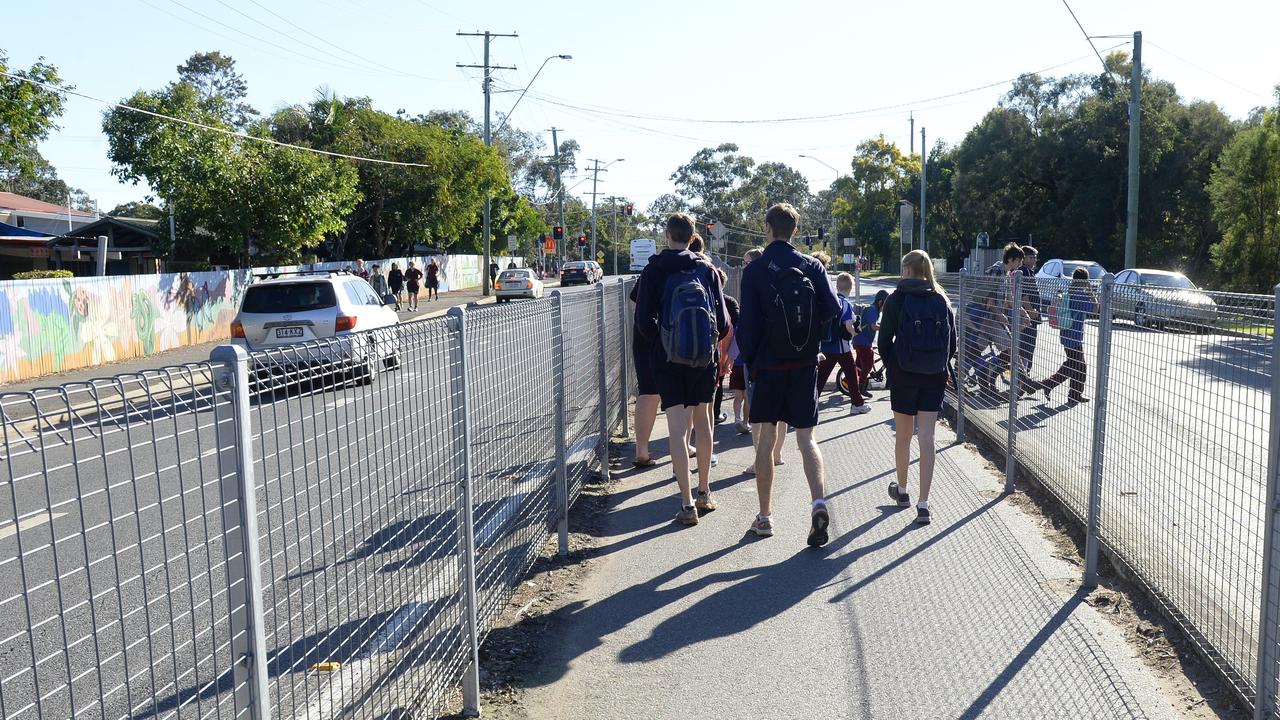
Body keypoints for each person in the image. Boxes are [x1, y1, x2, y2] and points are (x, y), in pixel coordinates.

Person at [737, 203, 840, 546]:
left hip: (768, 366)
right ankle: (819, 503)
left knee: (766, 440)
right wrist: (812, 340)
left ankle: (765, 517)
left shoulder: (756, 269)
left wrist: (751, 361)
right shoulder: (811, 266)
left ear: (767, 228)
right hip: (804, 366)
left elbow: (747, 324)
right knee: (806, 439)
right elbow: (833, 309)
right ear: (795, 230)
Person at [634, 212, 729, 526]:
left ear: (666, 235)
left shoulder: (654, 269)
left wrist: (665, 341)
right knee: (703, 422)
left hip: (668, 358)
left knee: (677, 429)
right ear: (692, 237)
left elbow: (643, 322)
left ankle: (686, 504)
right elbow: (725, 322)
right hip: (704, 357)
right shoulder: (706, 268)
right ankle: (705, 491)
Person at [878, 249, 956, 526]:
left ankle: (901, 491)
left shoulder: (896, 300)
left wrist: (894, 366)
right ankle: (924, 504)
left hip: (904, 376)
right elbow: (952, 344)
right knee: (927, 438)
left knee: (903, 436)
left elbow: (884, 341)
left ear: (908, 270)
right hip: (934, 376)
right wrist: (940, 366)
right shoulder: (941, 300)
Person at [1032, 267, 1097, 405]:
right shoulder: (1081, 296)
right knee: (1074, 365)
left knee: (1078, 365)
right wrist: (1090, 291)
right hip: (1075, 336)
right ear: (1085, 281)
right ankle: (1048, 384)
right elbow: (1096, 309)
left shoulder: (1069, 292)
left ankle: (1073, 394)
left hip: (1065, 333)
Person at [816, 272, 871, 415]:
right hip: (841, 347)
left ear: (837, 287)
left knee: (821, 377)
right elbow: (848, 326)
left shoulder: (830, 301)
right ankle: (857, 404)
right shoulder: (846, 304)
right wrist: (854, 332)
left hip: (827, 345)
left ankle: (810, 402)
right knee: (852, 376)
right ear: (850, 288)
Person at [854, 290, 888, 398]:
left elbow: (873, 324)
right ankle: (861, 387)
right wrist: (887, 328)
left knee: (859, 365)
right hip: (862, 342)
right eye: (885, 304)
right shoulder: (872, 310)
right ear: (880, 302)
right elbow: (873, 326)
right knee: (869, 362)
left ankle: (855, 384)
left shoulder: (873, 310)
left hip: (860, 341)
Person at [1018, 246, 1041, 376]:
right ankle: (1022, 378)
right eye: (1031, 257)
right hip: (1027, 317)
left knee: (1028, 349)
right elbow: (1023, 295)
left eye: (1035, 258)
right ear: (1024, 258)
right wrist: (1030, 311)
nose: (1034, 260)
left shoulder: (1029, 272)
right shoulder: (1024, 271)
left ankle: (1023, 376)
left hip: (1032, 317)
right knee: (1026, 349)